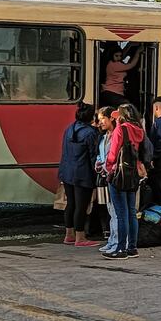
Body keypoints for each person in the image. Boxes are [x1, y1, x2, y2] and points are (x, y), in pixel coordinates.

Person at [103, 104, 145, 260]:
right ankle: (132, 248)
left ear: (121, 116)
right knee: (131, 212)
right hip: (133, 174)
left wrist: (108, 168)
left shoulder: (121, 130)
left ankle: (120, 249)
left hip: (119, 174)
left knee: (121, 214)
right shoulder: (139, 130)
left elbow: (113, 153)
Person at [58, 103, 99, 247]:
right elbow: (93, 155)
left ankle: (69, 235)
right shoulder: (90, 133)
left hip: (67, 171)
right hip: (83, 174)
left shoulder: (70, 128)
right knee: (81, 206)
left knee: (71, 204)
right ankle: (80, 237)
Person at [95, 107, 118, 254]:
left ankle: (117, 242)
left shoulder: (117, 135)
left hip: (115, 177)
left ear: (112, 118)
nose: (100, 122)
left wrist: (106, 165)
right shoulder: (104, 137)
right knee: (110, 209)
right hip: (106, 176)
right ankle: (112, 240)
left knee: (116, 211)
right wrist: (98, 163)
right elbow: (101, 155)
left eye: (103, 118)